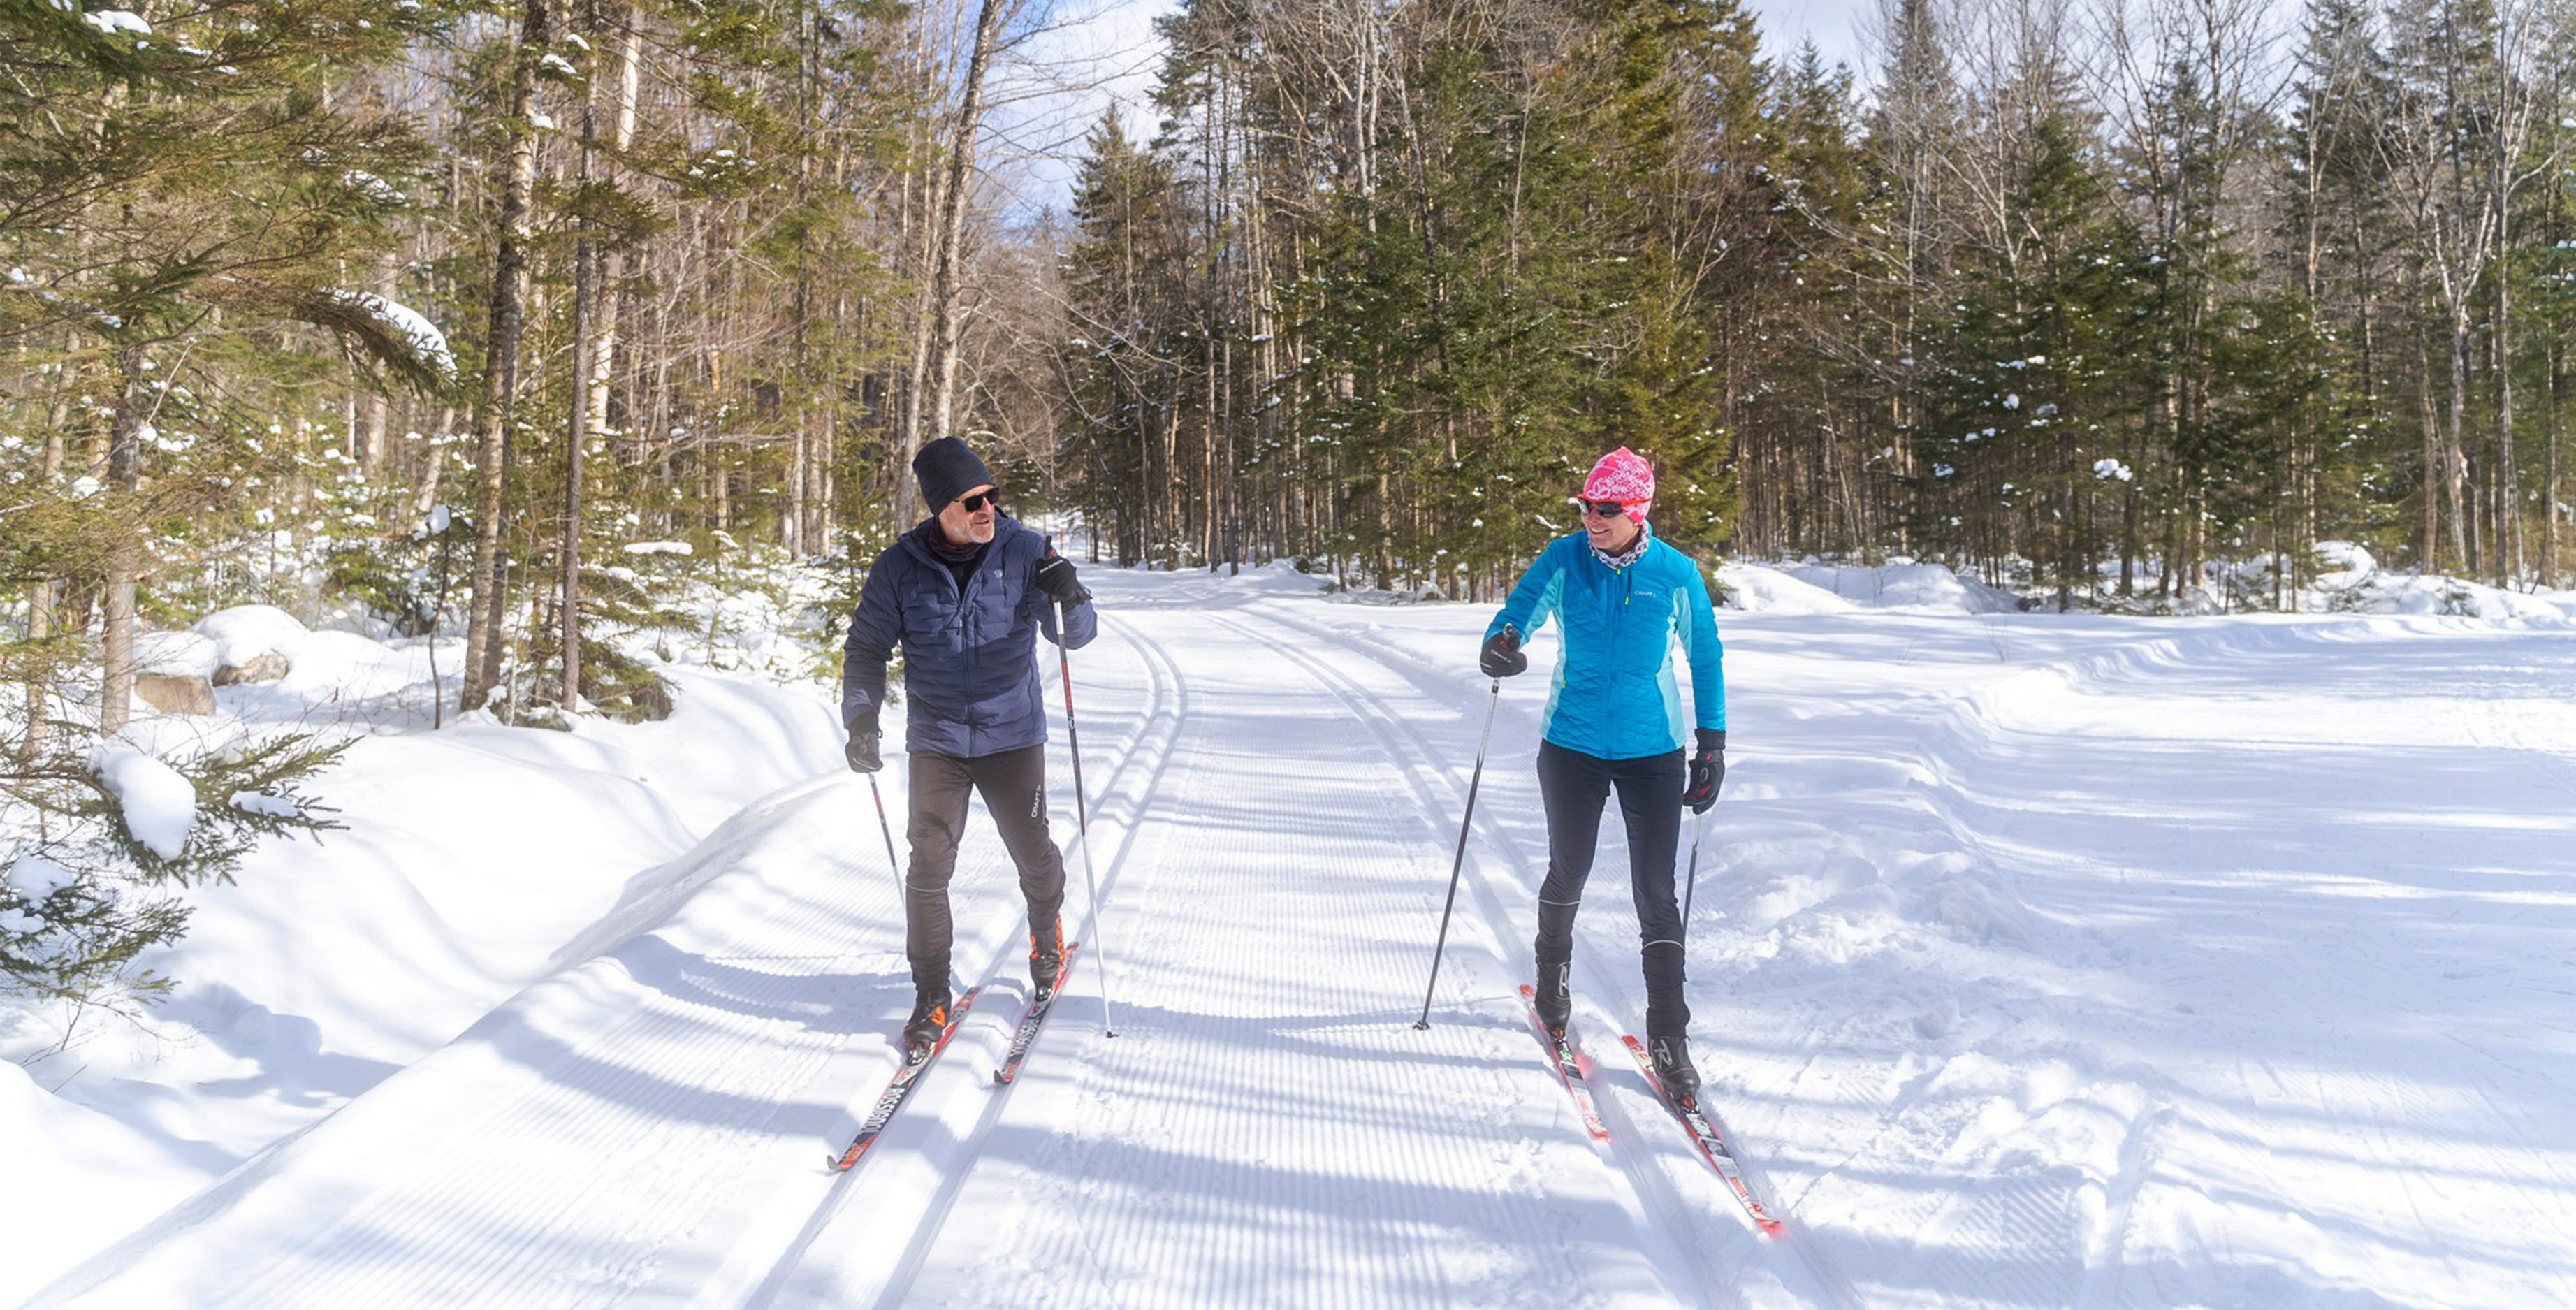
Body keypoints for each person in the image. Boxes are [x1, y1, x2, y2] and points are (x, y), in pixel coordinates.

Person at [1480, 446, 1726, 1103]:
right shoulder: (1564, 558)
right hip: (1573, 744)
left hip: (1653, 750)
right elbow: (1519, 610)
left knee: (1655, 889)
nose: (1592, 518)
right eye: (1586, 506)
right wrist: (1501, 641)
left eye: (1606, 508)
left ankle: (1669, 1036)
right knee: (1571, 866)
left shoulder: (1675, 574)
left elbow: (1705, 655)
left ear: (1637, 511)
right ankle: (1552, 976)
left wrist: (1712, 744)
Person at [841, 435, 1098, 1061]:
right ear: (940, 509)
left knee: (1034, 853)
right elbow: (866, 649)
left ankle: (1046, 935)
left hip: (1012, 734)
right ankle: (930, 992)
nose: (988, 508)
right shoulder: (897, 568)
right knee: (928, 865)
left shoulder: (1027, 551)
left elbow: (1077, 638)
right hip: (938, 740)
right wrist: (861, 718)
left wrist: (1071, 592)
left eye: (991, 496)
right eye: (971, 500)